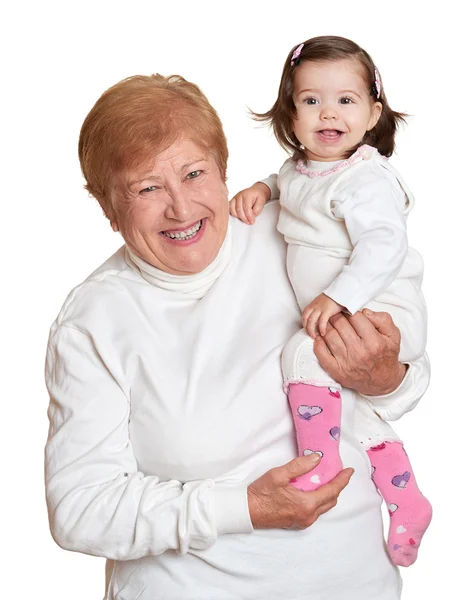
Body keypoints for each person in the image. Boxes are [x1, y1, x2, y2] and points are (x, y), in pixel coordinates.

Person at [44, 72, 430, 600]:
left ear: (224, 169)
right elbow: (81, 510)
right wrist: (243, 507)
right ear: (108, 208)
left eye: (194, 173)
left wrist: (388, 377)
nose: (180, 208)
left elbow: (404, 373)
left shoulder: (294, 230)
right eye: (147, 188)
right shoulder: (95, 319)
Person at [230, 35, 432, 567]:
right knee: (357, 415)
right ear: (289, 115)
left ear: (373, 114)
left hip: (380, 312)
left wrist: (338, 297)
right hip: (349, 315)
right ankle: (407, 500)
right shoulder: (302, 170)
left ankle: (317, 462)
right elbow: (290, 184)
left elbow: (384, 244)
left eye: (346, 100)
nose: (329, 112)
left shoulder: (366, 178)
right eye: (311, 99)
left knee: (300, 355)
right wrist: (263, 189)